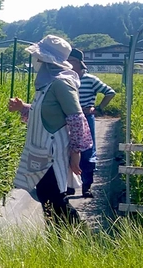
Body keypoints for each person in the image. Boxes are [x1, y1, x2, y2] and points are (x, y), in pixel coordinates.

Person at [8, 35, 92, 229]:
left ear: (45, 59)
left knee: (54, 200)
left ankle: (78, 239)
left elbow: (76, 119)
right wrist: (23, 107)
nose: (35, 61)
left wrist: (75, 153)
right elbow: (49, 114)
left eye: (38, 57)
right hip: (42, 152)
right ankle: (60, 243)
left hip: (53, 155)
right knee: (48, 199)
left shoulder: (61, 83)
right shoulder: (47, 82)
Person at [67, 48, 115, 198]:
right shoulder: (65, 79)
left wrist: (98, 108)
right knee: (68, 152)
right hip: (68, 119)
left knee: (87, 153)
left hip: (86, 119)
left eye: (71, 61)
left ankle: (86, 186)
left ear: (78, 63)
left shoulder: (90, 79)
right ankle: (70, 186)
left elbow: (109, 92)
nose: (68, 64)